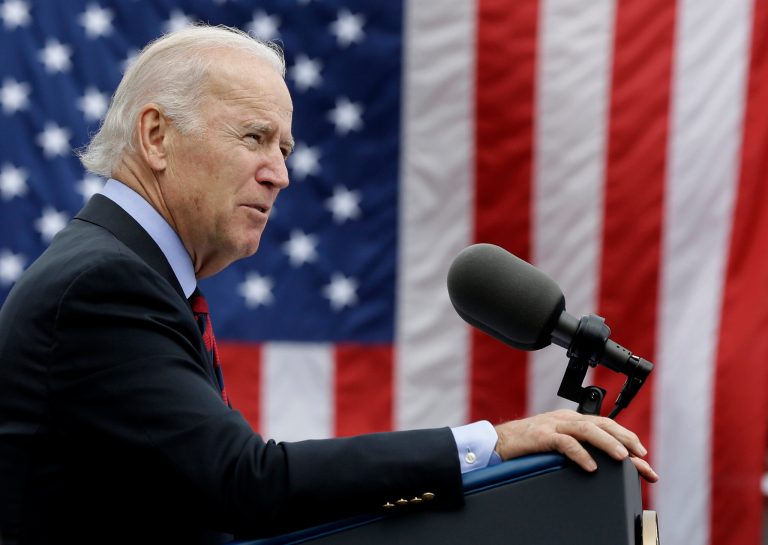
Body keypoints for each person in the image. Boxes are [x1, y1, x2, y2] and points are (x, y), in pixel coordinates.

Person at [0, 24, 656, 545]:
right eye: (255, 137)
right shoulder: (104, 284)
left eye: (283, 148)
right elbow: (244, 483)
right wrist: (495, 443)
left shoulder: (125, 271)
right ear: (156, 135)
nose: (279, 173)